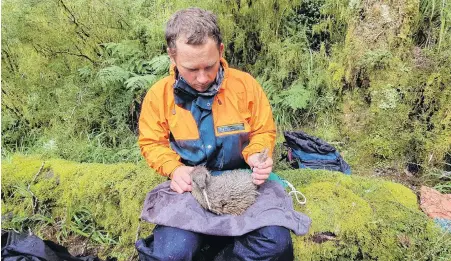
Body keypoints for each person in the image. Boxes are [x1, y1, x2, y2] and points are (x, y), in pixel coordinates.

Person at [138, 7, 293, 261]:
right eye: (191, 69)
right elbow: (151, 142)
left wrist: (256, 155)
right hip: (190, 191)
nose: (202, 78)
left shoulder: (245, 86)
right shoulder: (158, 96)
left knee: (275, 245)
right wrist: (173, 169)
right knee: (170, 254)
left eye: (209, 66)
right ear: (172, 56)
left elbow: (263, 130)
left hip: (242, 187)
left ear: (220, 51)